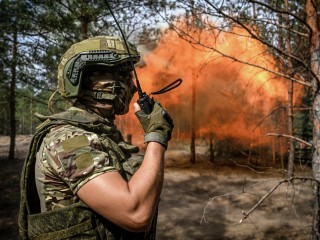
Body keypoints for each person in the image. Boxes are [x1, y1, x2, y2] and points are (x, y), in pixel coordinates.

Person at [18, 36, 173, 240]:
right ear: (98, 83)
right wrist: (156, 136)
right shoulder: (69, 140)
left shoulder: (101, 134)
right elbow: (135, 214)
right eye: (126, 76)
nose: (133, 87)